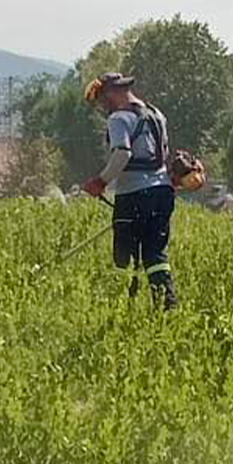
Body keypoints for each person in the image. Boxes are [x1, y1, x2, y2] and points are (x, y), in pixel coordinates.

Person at [80, 72, 177, 309]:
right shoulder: (157, 114)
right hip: (163, 192)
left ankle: (122, 310)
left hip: (132, 196)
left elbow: (122, 154)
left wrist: (100, 182)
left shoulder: (118, 119)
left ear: (112, 92)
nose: (103, 106)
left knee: (124, 257)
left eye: (103, 99)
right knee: (155, 254)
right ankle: (166, 305)